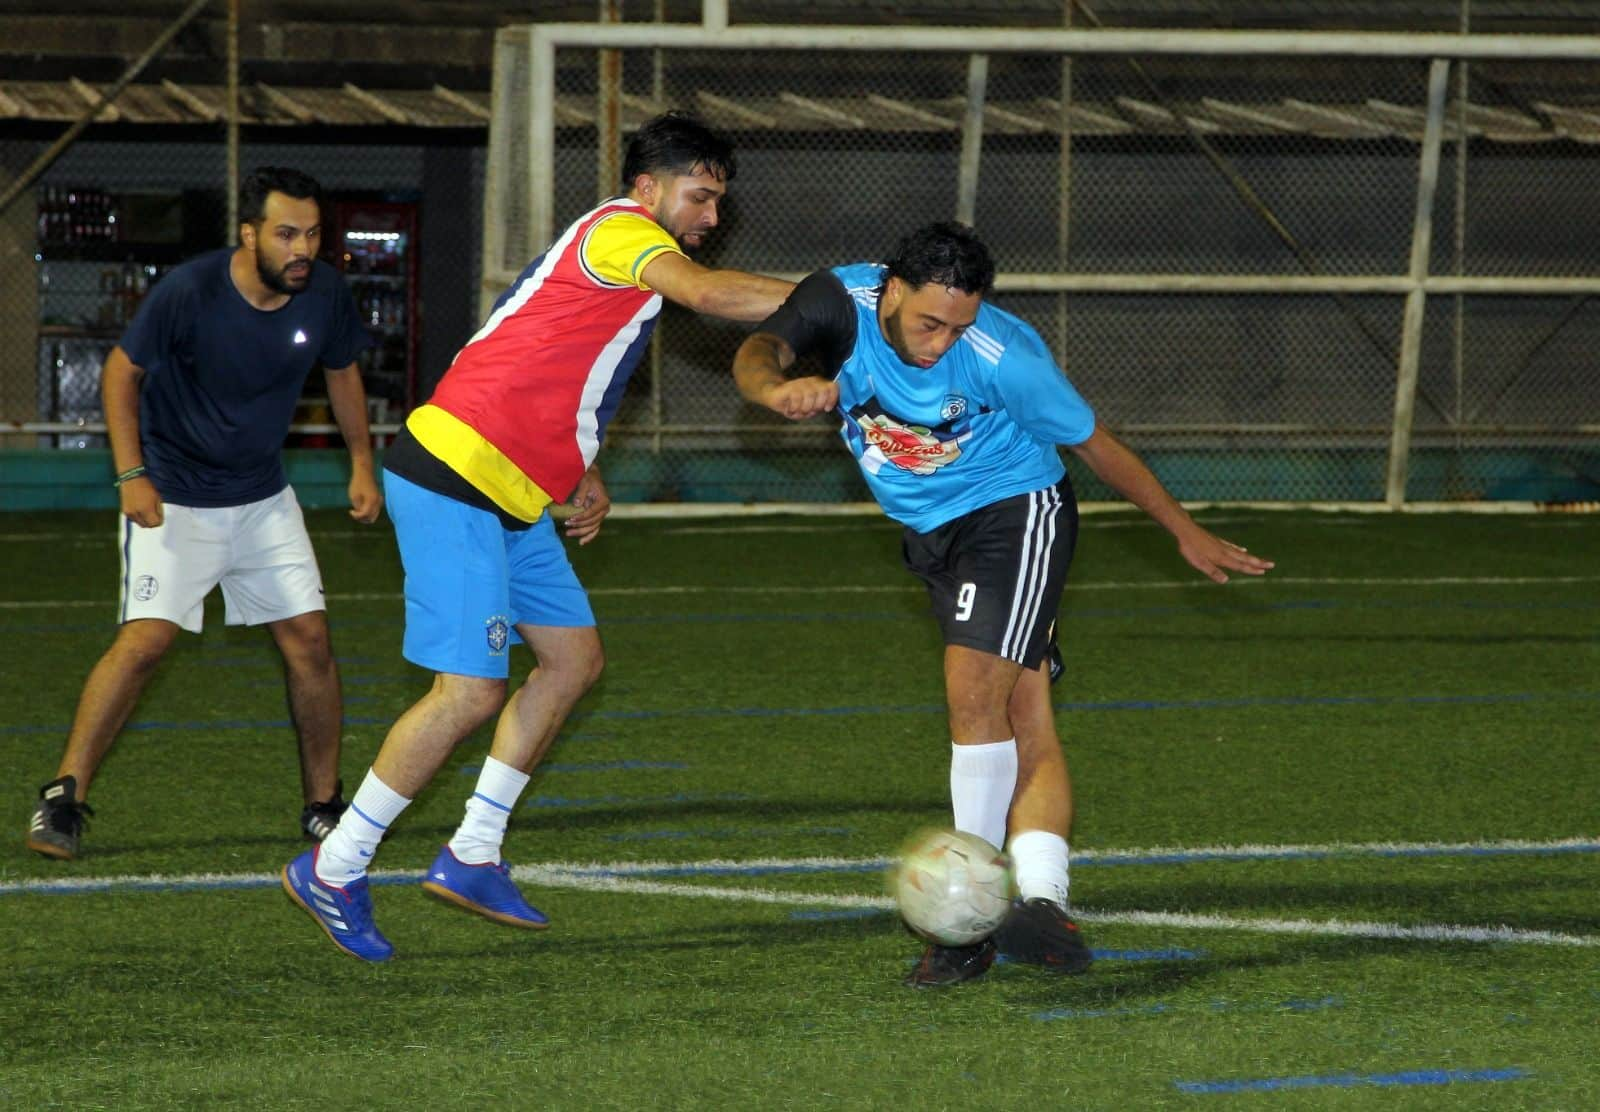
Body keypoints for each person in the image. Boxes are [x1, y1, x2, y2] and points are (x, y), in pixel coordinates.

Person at [282, 111, 793, 961]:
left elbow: (551, 354)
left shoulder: (620, 252)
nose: (708, 217)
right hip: (454, 479)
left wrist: (577, 468)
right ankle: (334, 867)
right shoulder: (624, 232)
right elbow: (710, 296)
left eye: (716, 202)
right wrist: (850, 294)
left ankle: (473, 850)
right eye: (699, 197)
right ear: (648, 188)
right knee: (470, 693)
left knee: (571, 660)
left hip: (511, 493)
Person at [732, 221, 1274, 988]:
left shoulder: (1003, 357)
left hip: (1015, 513)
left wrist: (1181, 529)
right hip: (930, 532)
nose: (942, 341)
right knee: (1024, 715)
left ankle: (967, 923)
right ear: (891, 290)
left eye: (959, 324)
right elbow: (759, 351)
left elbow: (1094, 445)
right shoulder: (837, 301)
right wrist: (774, 390)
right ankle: (1046, 906)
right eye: (928, 322)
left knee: (972, 694)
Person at [26, 166, 383, 860]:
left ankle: (323, 805)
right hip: (175, 497)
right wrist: (132, 475)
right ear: (249, 234)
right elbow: (120, 372)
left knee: (310, 641)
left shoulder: (327, 296)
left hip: (262, 498)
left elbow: (343, 372)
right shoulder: (190, 290)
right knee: (145, 644)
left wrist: (362, 463)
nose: (301, 248)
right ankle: (62, 799)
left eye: (311, 234)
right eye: (285, 234)